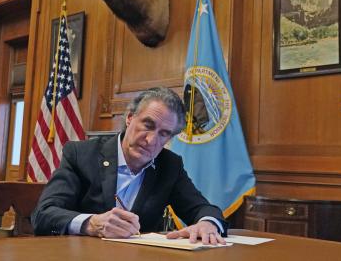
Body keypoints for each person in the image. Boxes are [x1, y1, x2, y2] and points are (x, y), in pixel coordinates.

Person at [32, 87, 227, 245]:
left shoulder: (169, 165)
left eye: (163, 134)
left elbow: (202, 208)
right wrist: (91, 224)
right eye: (148, 125)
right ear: (130, 118)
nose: (151, 140)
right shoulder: (81, 154)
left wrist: (208, 224)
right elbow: (43, 214)